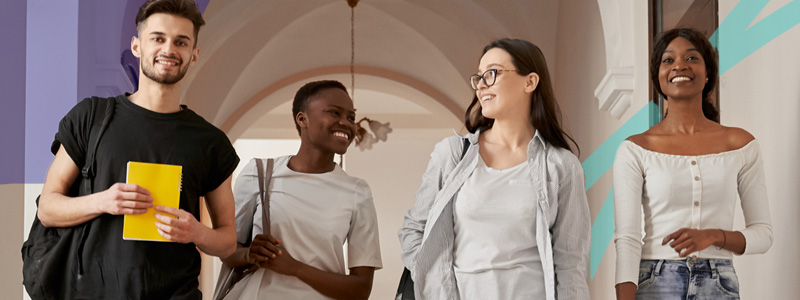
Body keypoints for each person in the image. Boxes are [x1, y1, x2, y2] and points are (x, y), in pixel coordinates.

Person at [36, 0, 239, 298]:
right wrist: (103, 201)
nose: (169, 49)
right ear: (136, 46)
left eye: (181, 42)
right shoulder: (90, 117)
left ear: (194, 54)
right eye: (158, 38)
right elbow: (47, 209)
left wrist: (198, 232)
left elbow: (228, 240)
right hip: (93, 292)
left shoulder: (211, 142)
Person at [398, 38, 591, 300]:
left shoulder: (561, 166)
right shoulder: (452, 154)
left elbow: (571, 264)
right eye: (479, 77)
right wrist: (436, 287)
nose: (481, 85)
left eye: (492, 73)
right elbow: (414, 230)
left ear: (530, 82)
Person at [613, 27, 773, 300]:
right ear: (658, 77)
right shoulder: (635, 149)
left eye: (691, 58)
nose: (679, 65)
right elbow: (627, 238)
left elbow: (764, 235)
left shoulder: (741, 145)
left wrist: (714, 236)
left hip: (719, 283)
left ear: (707, 72)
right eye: (668, 60)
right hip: (655, 283)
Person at [220, 80, 382, 300]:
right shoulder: (259, 174)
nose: (346, 123)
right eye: (334, 113)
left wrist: (295, 268)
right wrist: (249, 254)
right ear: (302, 119)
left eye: (351, 117)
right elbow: (227, 250)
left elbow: (361, 289)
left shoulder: (357, 191)